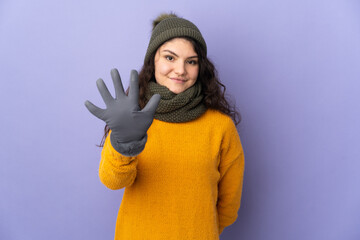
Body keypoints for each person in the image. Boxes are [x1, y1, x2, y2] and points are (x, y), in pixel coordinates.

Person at [85, 13, 245, 240]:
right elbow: (112, 181)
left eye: (191, 61)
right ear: (153, 61)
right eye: (170, 58)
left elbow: (229, 204)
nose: (181, 70)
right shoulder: (132, 117)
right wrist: (123, 145)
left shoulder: (220, 126)